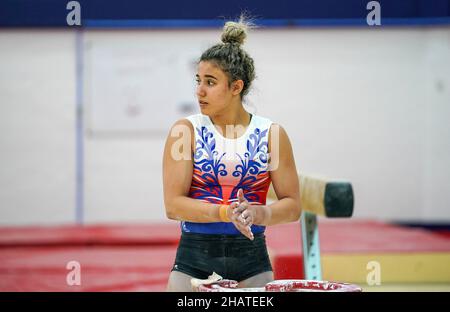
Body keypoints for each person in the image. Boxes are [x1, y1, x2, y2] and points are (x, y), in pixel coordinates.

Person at [163, 16, 301, 291]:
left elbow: (293, 205)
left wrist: (260, 214)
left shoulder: (271, 134)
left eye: (211, 82)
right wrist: (226, 212)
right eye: (198, 80)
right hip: (194, 260)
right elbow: (174, 206)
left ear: (236, 87)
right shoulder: (185, 131)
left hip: (251, 260)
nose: (199, 90)